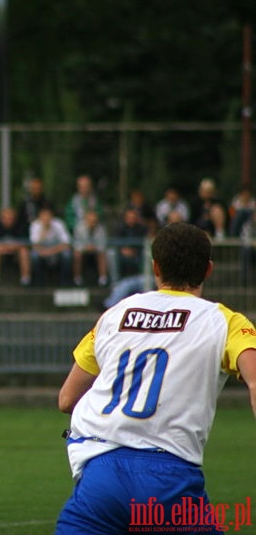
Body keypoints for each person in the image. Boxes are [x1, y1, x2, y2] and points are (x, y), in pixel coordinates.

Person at [55, 223, 256, 534]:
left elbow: (67, 399)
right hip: (169, 481)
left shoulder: (116, 314)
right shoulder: (225, 321)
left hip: (100, 476)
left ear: (155, 267)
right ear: (208, 270)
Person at [29, 205, 72, 286]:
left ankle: (65, 281)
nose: (46, 218)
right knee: (34, 255)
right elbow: (34, 245)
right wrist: (43, 232)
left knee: (67, 254)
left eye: (48, 215)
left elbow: (67, 244)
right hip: (42, 251)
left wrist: (51, 251)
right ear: (40, 216)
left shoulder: (59, 224)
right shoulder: (35, 225)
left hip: (56, 250)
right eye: (43, 216)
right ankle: (38, 281)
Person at [0, 206, 30, 286]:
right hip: (3, 251)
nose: (8, 220)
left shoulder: (20, 226)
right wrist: (6, 247)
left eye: (10, 218)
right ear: (2, 219)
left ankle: (25, 279)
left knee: (24, 251)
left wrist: (11, 247)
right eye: (5, 218)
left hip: (16, 252)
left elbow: (24, 243)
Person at [72, 209, 109, 287]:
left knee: (102, 254)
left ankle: (103, 278)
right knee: (77, 255)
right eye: (90, 220)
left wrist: (95, 247)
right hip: (83, 249)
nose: (92, 222)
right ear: (86, 220)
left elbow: (103, 244)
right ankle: (77, 278)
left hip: (96, 250)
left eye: (94, 221)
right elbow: (76, 243)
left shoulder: (101, 229)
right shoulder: (79, 228)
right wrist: (85, 247)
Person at [111, 207, 149, 280]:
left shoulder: (142, 228)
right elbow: (116, 242)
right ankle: (117, 281)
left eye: (133, 217)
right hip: (122, 253)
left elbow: (145, 242)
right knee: (114, 256)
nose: (131, 219)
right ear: (125, 218)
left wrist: (134, 251)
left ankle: (143, 280)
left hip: (138, 253)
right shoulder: (119, 228)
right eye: (129, 217)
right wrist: (123, 250)